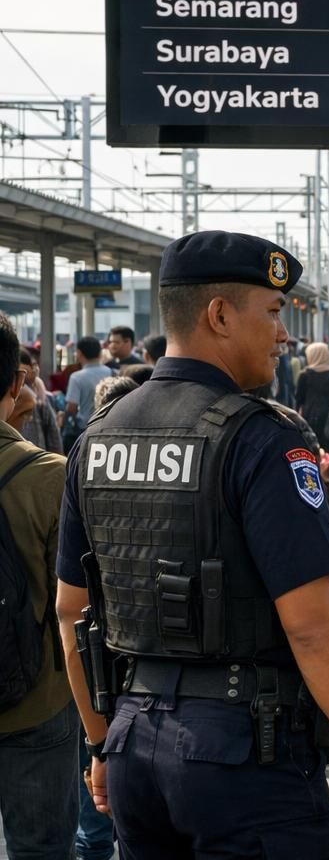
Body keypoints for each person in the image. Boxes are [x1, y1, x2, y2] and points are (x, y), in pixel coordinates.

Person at [54, 231, 329, 857]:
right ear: (219, 315)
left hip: (133, 743)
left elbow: (70, 611)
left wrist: (100, 742)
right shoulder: (260, 440)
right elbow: (314, 627)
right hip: (246, 757)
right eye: (272, 312)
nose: (284, 334)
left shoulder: (98, 438)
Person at [0, 311, 75, 860]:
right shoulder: (50, 475)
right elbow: (74, 607)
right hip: (36, 702)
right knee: (41, 849)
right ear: (17, 382)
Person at [15, 347, 62, 454]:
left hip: (34, 456)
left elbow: (53, 434)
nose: (34, 369)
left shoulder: (40, 397)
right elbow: (54, 435)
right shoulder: (39, 396)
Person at [297, 341, 329, 449]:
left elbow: (299, 399)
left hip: (309, 415)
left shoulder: (304, 375)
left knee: (310, 447)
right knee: (327, 449)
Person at [63, 336, 111, 423]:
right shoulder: (110, 372)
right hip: (107, 422)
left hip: (86, 425)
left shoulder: (76, 377)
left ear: (79, 353)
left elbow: (72, 407)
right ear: (100, 352)